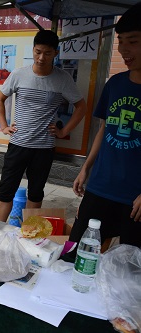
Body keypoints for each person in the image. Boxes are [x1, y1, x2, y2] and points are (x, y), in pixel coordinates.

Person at [0, 29, 87, 222]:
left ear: (55, 52)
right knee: (5, 191)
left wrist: (64, 131)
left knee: (36, 193)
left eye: (47, 53)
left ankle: (29, 233)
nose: (41, 57)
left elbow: (80, 107)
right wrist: (4, 126)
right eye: (37, 52)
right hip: (18, 144)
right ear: (33, 49)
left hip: (44, 147)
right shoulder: (19, 74)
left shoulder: (62, 79)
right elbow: (0, 100)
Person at [69, 2, 141, 247]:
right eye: (121, 41)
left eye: (133, 41)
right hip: (100, 186)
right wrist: (86, 168)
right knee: (76, 253)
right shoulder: (115, 84)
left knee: (129, 270)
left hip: (135, 197)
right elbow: (104, 129)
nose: (124, 49)